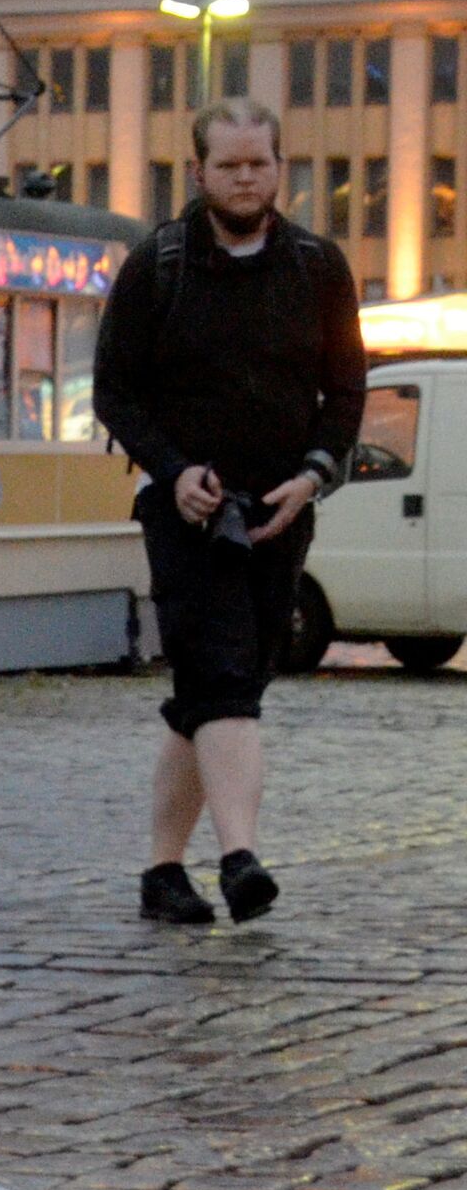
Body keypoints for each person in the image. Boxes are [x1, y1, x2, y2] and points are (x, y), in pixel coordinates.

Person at [94, 98, 365, 926]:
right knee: (221, 678)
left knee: (218, 690)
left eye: (259, 163)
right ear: (199, 171)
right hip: (186, 514)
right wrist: (174, 471)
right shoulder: (159, 265)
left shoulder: (318, 267)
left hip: (281, 511)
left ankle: (161, 871)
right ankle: (241, 857)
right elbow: (114, 392)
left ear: (280, 168)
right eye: (229, 165)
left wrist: (313, 475)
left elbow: (347, 390)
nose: (246, 178)